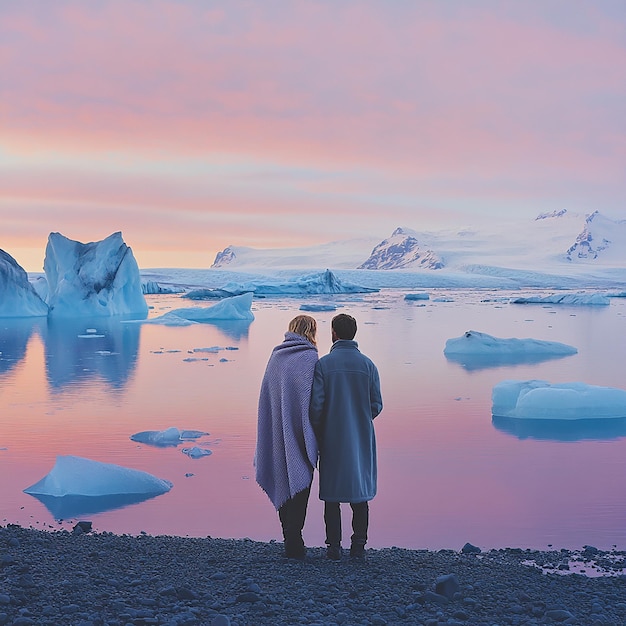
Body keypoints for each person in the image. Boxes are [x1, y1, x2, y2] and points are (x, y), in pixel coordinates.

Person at [310, 313, 382, 560]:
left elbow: (316, 406)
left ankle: (333, 547)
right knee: (359, 493)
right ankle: (359, 546)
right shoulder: (368, 365)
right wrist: (360, 418)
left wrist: (322, 428)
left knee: (332, 495)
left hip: (332, 437)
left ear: (334, 333)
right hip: (360, 437)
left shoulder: (324, 365)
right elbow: (377, 404)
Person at [255, 315, 319, 560]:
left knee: (283, 477)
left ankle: (289, 537)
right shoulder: (312, 359)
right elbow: (315, 400)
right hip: (302, 434)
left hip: (277, 434)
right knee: (300, 480)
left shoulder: (276, 357)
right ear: (311, 331)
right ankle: (295, 537)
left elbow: (268, 397)